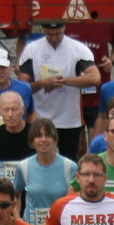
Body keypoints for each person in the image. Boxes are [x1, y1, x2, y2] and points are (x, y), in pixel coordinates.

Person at [18, 21, 101, 158]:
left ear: (64, 28)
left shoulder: (78, 49)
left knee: (70, 160)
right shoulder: (32, 49)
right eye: (49, 35)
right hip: (40, 116)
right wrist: (42, 83)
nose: (54, 38)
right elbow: (22, 88)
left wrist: (65, 81)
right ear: (43, 29)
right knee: (38, 158)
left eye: (58, 34)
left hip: (69, 118)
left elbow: (95, 78)